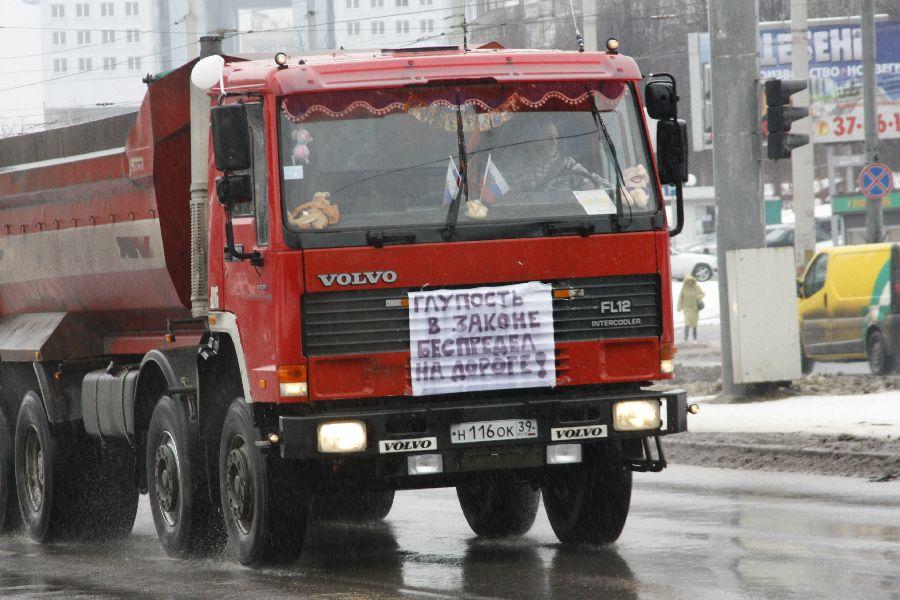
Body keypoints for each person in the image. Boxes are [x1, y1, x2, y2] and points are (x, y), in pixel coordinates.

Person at [493, 117, 607, 192]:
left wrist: (593, 189)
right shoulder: (514, 169)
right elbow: (497, 194)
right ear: (532, 142)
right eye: (548, 138)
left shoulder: (567, 165)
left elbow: (599, 184)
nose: (554, 143)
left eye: (555, 137)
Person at [677, 275, 704, 341]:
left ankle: (695, 337)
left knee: (694, 323)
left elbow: (702, 294)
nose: (690, 283)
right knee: (687, 322)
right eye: (688, 281)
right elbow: (680, 298)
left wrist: (699, 297)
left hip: (695, 308)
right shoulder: (684, 288)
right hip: (686, 308)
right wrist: (679, 307)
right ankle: (686, 337)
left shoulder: (696, 287)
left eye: (691, 281)